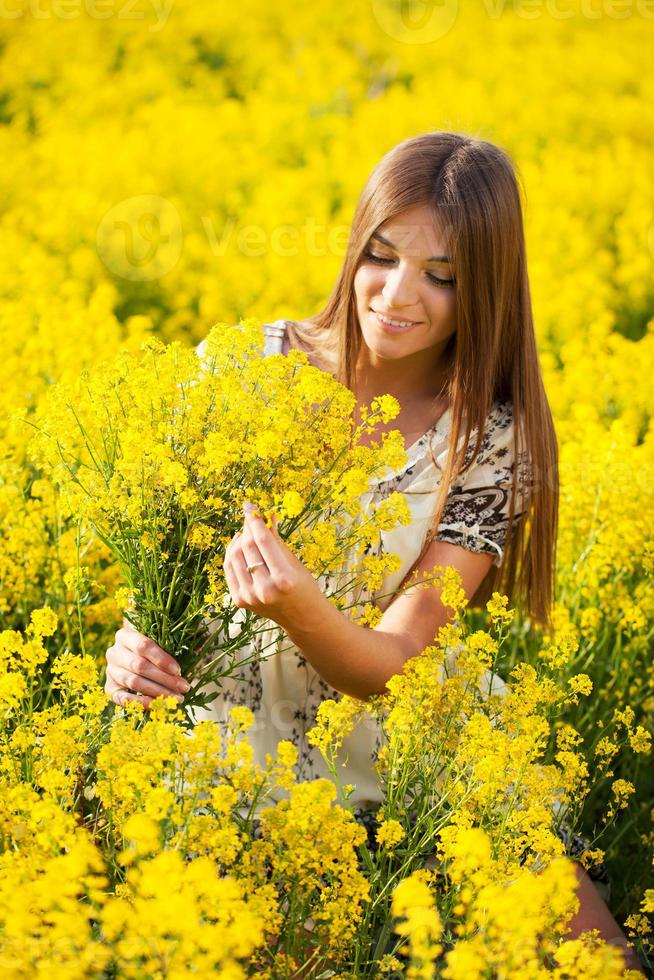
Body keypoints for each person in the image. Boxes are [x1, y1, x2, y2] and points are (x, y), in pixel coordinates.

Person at [104, 132, 646, 974]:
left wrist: (297, 605)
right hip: (239, 721)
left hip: (404, 718)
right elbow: (162, 568)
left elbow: (394, 662)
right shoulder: (241, 370)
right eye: (381, 257)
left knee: (588, 945)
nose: (397, 296)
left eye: (443, 277)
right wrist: (133, 648)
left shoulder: (491, 438)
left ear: (487, 291)